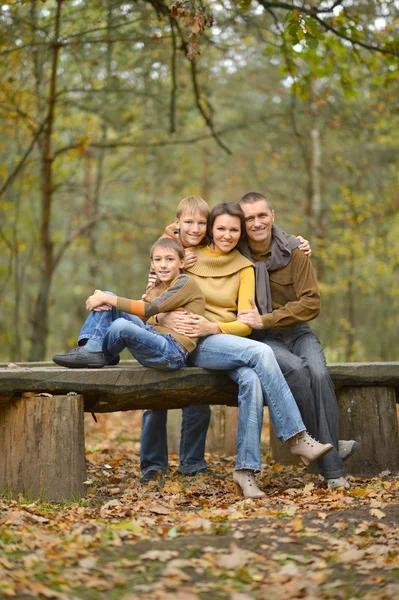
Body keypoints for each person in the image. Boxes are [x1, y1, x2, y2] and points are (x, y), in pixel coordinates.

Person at [158, 202, 333, 498]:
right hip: (193, 345)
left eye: (233, 230)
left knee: (252, 380)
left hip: (226, 342)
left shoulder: (243, 266)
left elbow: (245, 324)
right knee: (262, 353)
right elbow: (156, 294)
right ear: (211, 230)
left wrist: (214, 327)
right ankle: (296, 436)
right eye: (221, 228)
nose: (227, 235)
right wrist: (164, 316)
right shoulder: (187, 259)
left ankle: (246, 470)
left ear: (240, 234)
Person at [236, 192, 357, 490]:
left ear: (272, 215)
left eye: (262, 215)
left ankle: (322, 449)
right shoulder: (233, 255)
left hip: (297, 331)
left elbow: (312, 304)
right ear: (242, 223)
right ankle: (333, 469)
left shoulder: (295, 252)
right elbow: (190, 232)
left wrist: (267, 318)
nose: (256, 222)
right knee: (296, 370)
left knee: (317, 372)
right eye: (249, 218)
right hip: (262, 340)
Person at [52, 237, 205, 372]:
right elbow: (146, 317)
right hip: (154, 337)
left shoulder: (185, 283)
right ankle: (92, 349)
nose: (163, 265)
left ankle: (103, 352)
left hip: (173, 352)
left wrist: (105, 298)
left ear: (181, 262)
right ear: (152, 264)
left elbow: (148, 309)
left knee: (120, 323)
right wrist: (159, 318)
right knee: (110, 298)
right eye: (158, 260)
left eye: (170, 259)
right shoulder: (156, 288)